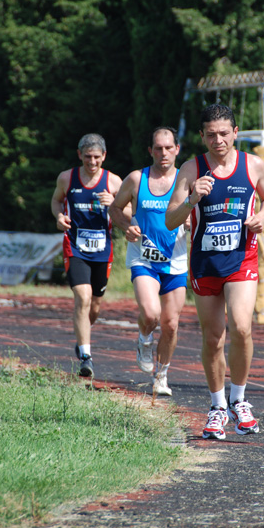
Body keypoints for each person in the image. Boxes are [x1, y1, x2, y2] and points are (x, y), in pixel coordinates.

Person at [166, 104, 264, 440]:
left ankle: (239, 400)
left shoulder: (252, 165)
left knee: (241, 328)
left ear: (235, 132)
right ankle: (216, 408)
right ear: (202, 136)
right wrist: (190, 200)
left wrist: (262, 216)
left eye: (224, 133)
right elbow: (170, 219)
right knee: (213, 338)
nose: (218, 140)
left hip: (241, 259)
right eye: (211, 134)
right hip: (205, 264)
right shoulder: (191, 169)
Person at [108, 126, 188, 397]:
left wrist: (191, 221)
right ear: (150, 151)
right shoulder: (135, 179)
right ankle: (144, 339)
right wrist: (126, 226)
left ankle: (162, 375)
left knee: (171, 324)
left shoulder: (185, 180)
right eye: (158, 148)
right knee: (152, 314)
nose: (163, 153)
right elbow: (115, 209)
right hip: (144, 258)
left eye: (168, 148)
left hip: (175, 261)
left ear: (177, 149)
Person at [51, 133, 123, 378]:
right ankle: (86, 356)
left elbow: (131, 210)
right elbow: (56, 202)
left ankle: (83, 338)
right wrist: (59, 217)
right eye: (88, 157)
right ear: (79, 155)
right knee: (82, 296)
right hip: (75, 247)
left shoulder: (113, 182)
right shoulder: (66, 178)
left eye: (97, 157)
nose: (92, 162)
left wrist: (114, 202)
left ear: (104, 157)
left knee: (95, 305)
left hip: (103, 250)